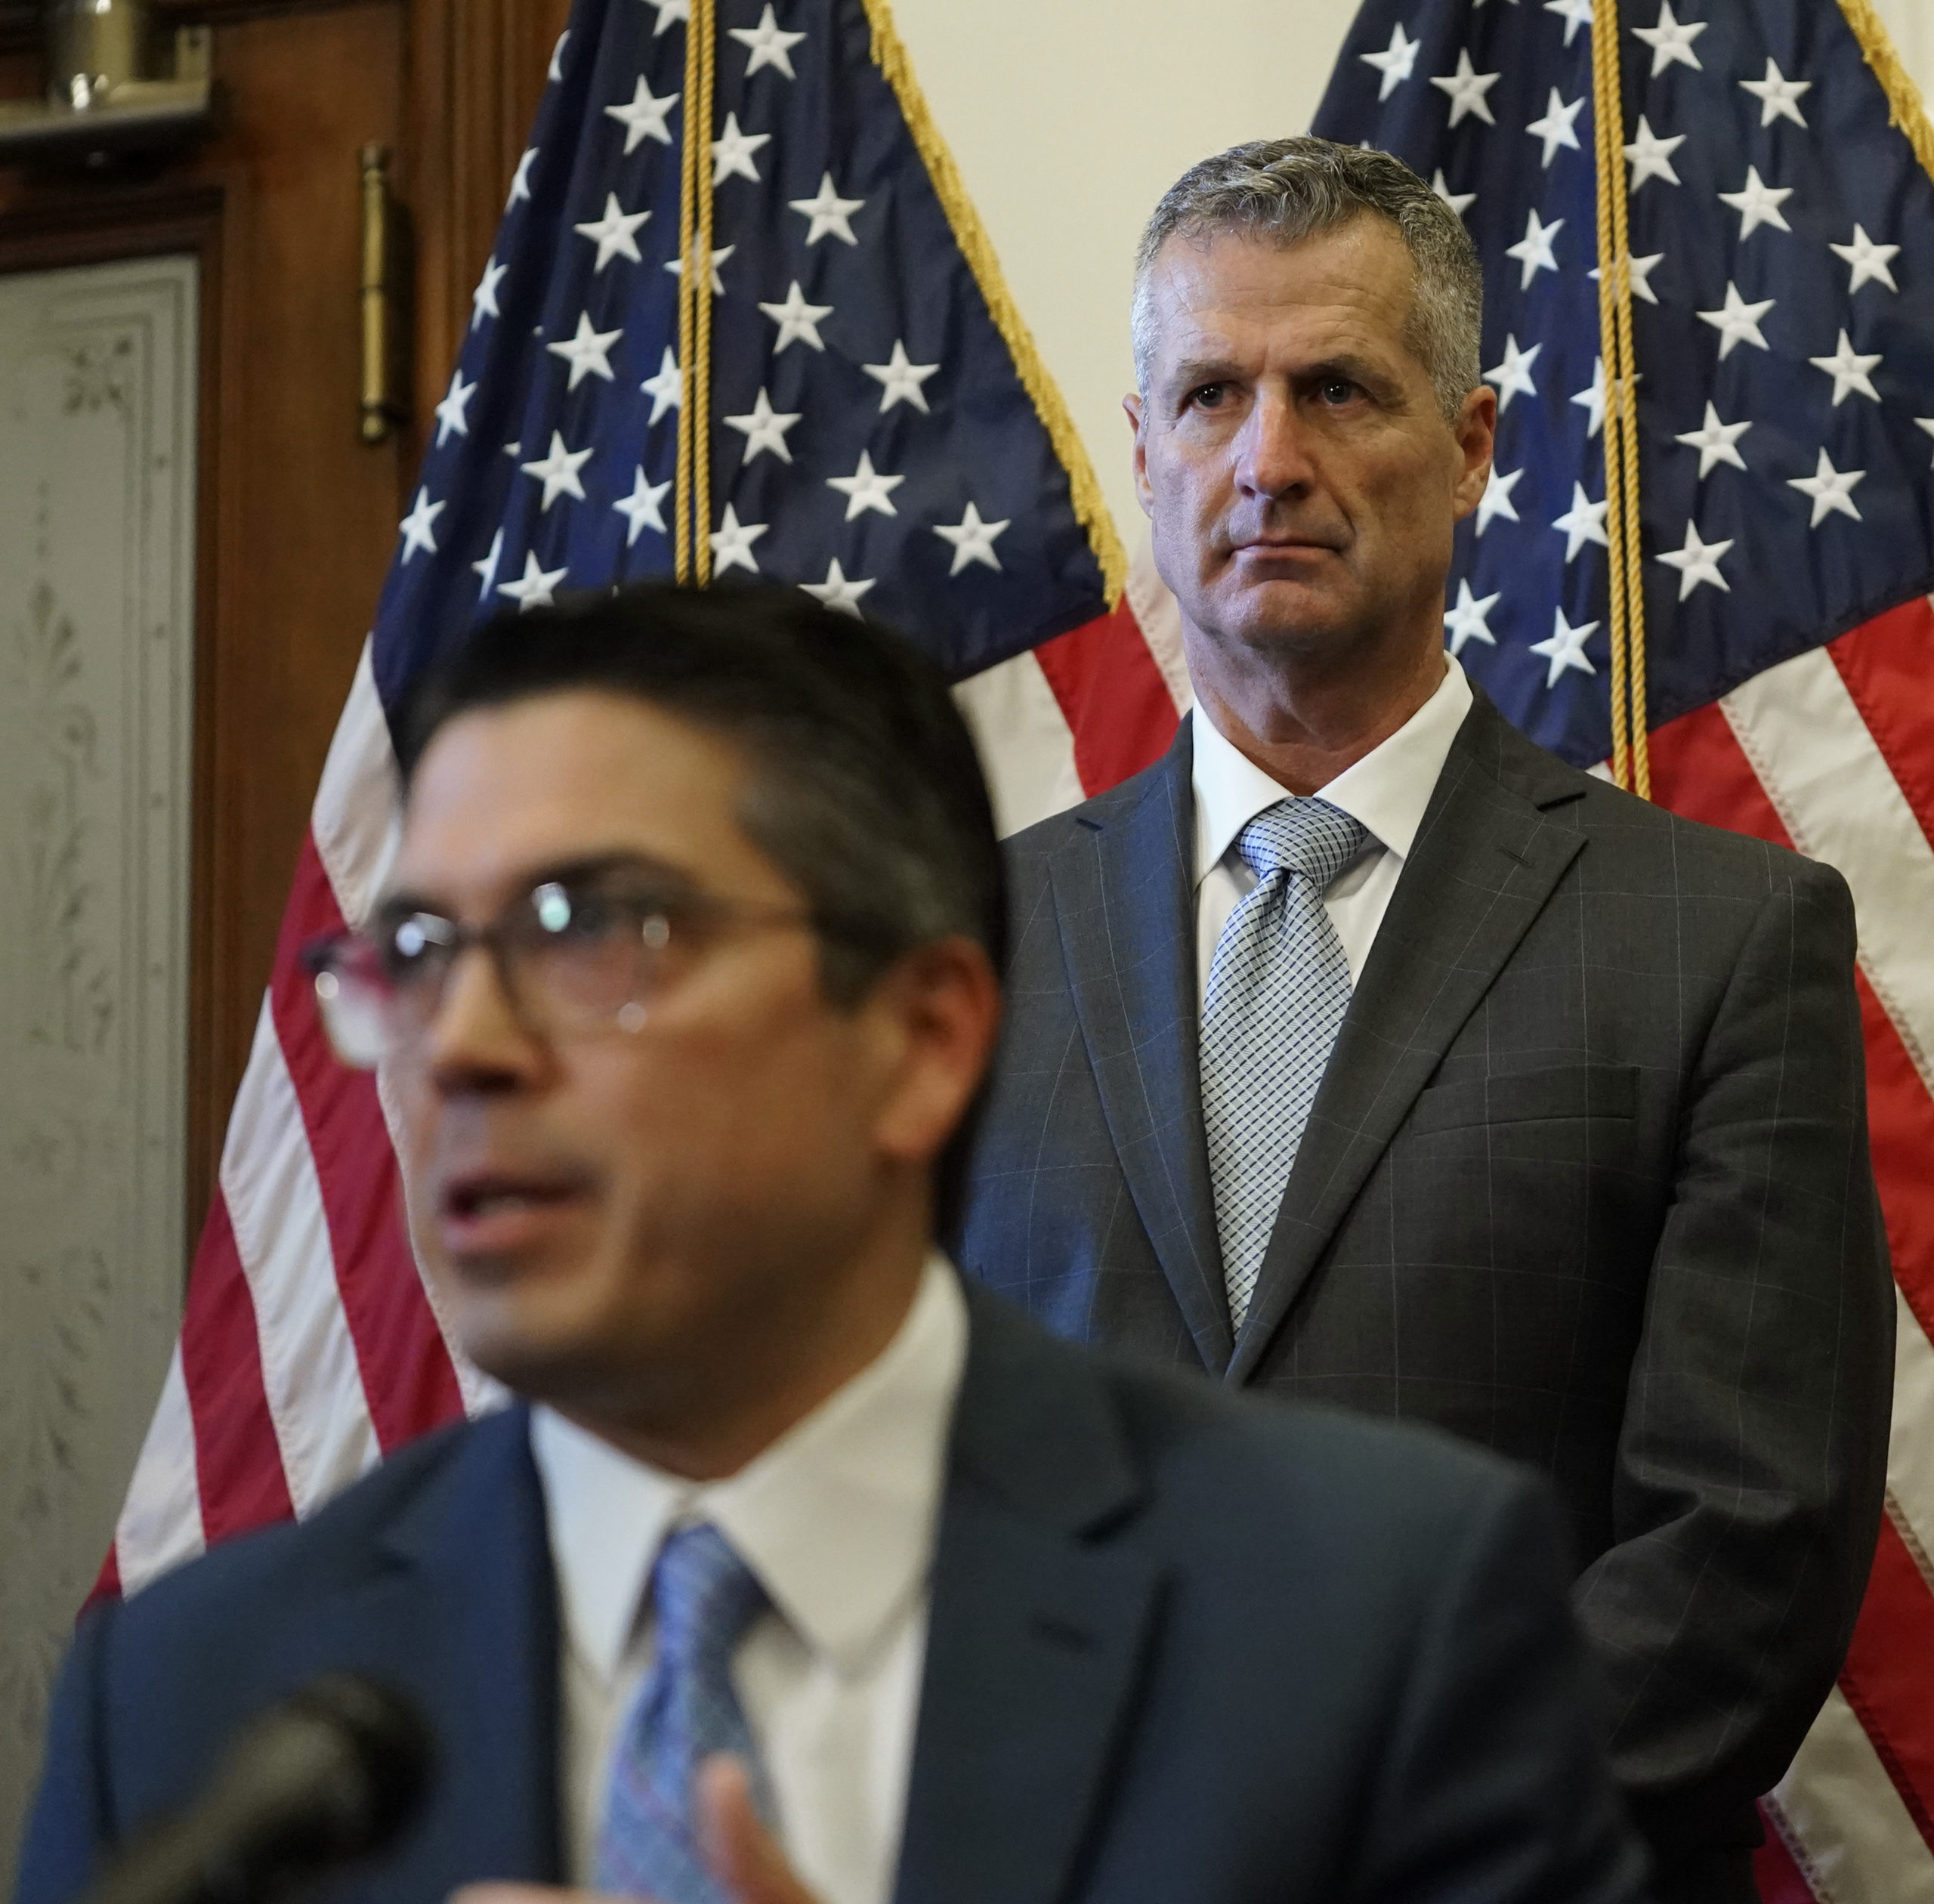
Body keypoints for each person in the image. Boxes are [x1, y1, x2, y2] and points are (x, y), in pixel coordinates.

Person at [14, 585, 1648, 1904]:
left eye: (598, 933)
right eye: (422, 951)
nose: (464, 1048)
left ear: (922, 1039)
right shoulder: (189, 1701)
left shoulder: (1364, 1624)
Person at [953, 138, 1895, 1904]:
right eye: (1210, 396)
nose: (1269, 461)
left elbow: (1737, 1558)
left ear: (1468, 447)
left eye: (1336, 390)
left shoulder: (1719, 938)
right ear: (1142, 450)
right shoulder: (962, 942)